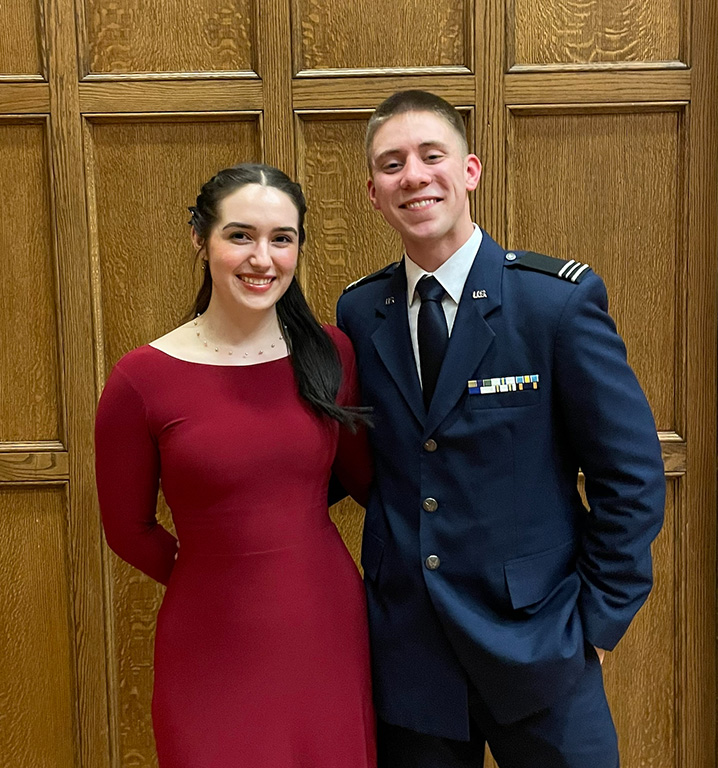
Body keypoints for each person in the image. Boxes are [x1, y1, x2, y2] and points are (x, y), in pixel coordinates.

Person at [336, 90, 666, 768]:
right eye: (392, 164)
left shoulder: (556, 303)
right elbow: (377, 463)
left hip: (542, 649)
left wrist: (596, 625)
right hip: (412, 657)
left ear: (470, 170)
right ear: (373, 192)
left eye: (433, 156)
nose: (414, 176)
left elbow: (630, 475)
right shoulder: (361, 312)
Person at [95, 163, 376, 768]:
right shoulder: (139, 379)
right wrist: (217, 575)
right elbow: (126, 529)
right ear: (201, 240)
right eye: (240, 235)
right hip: (208, 636)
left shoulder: (331, 353)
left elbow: (366, 481)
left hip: (325, 623)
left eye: (282, 238)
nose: (263, 258)